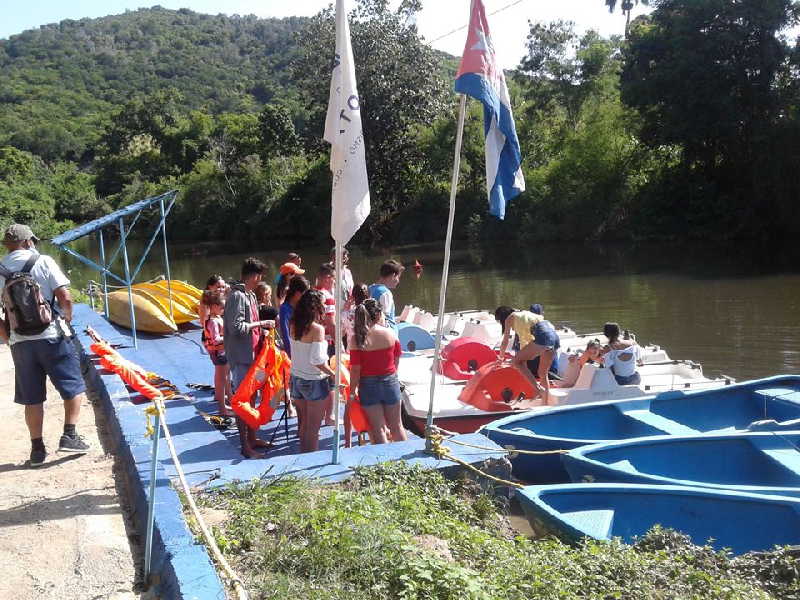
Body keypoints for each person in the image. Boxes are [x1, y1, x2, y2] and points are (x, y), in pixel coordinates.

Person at [0, 223, 90, 466]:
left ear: (7, 245)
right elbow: (65, 297)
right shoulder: (44, 261)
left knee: (32, 397)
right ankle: (69, 436)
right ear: (29, 241)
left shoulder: (0, 269)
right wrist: (66, 321)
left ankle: (37, 449)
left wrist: (9, 339)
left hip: (20, 342)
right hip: (52, 336)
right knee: (73, 386)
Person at [223, 257, 275, 459]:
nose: (259, 280)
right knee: (243, 401)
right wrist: (259, 325)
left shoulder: (251, 295)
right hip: (242, 357)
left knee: (253, 399)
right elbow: (235, 328)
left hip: (253, 356)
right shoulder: (236, 296)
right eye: (259, 276)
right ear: (253, 276)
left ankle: (253, 438)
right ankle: (245, 446)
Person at [348, 298, 406, 444]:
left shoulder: (357, 339)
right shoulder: (390, 333)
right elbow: (397, 357)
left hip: (368, 386)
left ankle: (386, 464)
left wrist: (352, 390)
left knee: (378, 428)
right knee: (397, 426)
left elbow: (355, 369)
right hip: (390, 381)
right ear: (379, 314)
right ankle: (407, 461)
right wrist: (393, 374)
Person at [290, 290, 335, 453]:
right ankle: (310, 458)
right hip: (314, 381)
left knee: (304, 424)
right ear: (316, 307)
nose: (325, 306)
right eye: (323, 304)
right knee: (313, 429)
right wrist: (333, 374)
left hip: (296, 378)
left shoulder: (293, 323)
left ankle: (303, 454)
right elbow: (317, 360)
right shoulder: (317, 329)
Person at [512, 318, 561, 403]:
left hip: (544, 338)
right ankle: (545, 403)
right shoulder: (538, 319)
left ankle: (538, 388)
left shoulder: (517, 320)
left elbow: (523, 348)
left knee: (517, 362)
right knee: (543, 373)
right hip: (555, 339)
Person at [202, 290, 232, 416]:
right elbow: (215, 340)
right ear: (214, 306)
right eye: (221, 307)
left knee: (226, 378)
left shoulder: (217, 317)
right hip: (219, 354)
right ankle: (222, 408)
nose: (223, 310)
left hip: (222, 352)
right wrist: (230, 338)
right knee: (221, 380)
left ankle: (228, 400)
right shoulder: (213, 321)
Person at [368, 259, 404, 333]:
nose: (398, 281)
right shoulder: (385, 293)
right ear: (393, 275)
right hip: (387, 336)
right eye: (398, 277)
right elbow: (384, 319)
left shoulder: (370, 288)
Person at [278, 275, 310, 358]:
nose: (306, 297)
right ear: (297, 293)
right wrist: (292, 356)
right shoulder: (284, 309)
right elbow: (285, 335)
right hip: (293, 354)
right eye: (304, 294)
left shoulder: (303, 307)